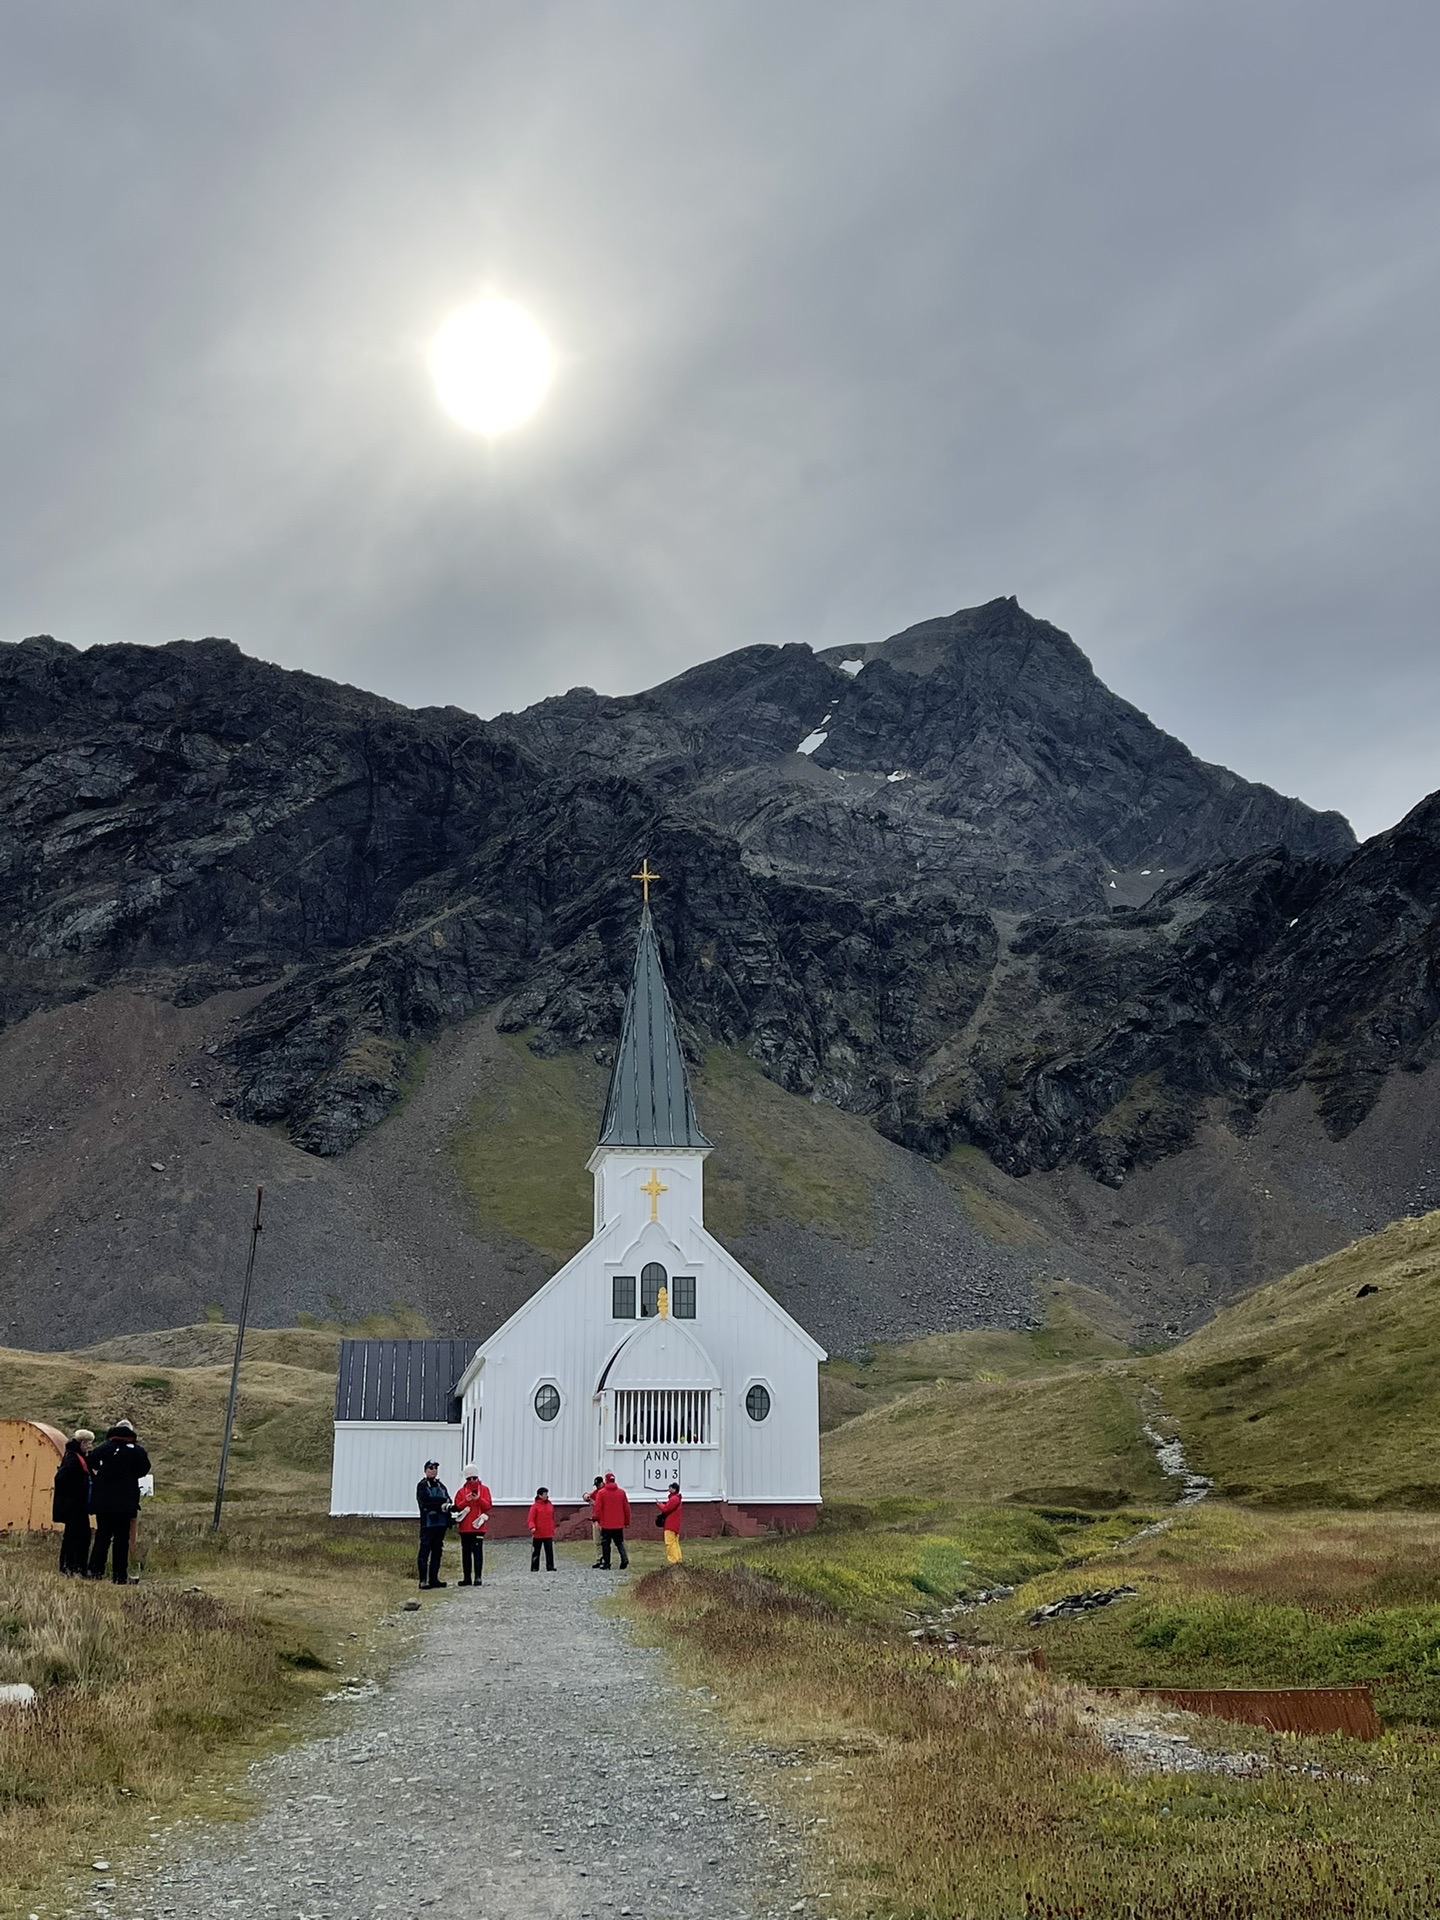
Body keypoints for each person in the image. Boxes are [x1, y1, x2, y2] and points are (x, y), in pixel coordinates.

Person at [87, 1420, 151, 1584]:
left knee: (102, 1536)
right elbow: (145, 1468)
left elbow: (91, 1463)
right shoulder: (136, 1450)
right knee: (121, 1539)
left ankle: (95, 1571)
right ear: (130, 1432)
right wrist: (129, 1475)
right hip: (125, 1503)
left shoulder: (103, 1448)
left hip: (104, 1503)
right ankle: (119, 1576)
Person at [52, 1430, 94, 1575]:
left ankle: (73, 1566)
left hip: (76, 1504)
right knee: (76, 1536)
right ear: (82, 1443)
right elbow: (60, 1478)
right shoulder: (73, 1459)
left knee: (78, 1535)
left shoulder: (76, 1457)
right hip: (74, 1505)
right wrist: (75, 1489)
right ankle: (71, 1566)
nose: (90, 1446)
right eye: (89, 1443)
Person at [452, 1463, 491, 1587]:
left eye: (474, 1478)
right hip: (465, 1528)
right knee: (466, 1553)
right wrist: (466, 1501)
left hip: (478, 1527)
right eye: (469, 1478)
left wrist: (478, 1499)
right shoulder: (461, 1492)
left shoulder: (484, 1490)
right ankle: (467, 1577)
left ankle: (478, 1577)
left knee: (478, 1552)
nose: (472, 1481)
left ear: (478, 1477)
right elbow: (456, 1507)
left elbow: (488, 1506)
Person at [415, 1460, 453, 1589]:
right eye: (431, 1468)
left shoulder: (441, 1486)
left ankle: (434, 1579)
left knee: (437, 1552)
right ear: (425, 1470)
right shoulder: (422, 1486)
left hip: (440, 1524)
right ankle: (423, 1580)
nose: (433, 1470)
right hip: (428, 1524)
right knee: (424, 1551)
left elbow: (448, 1501)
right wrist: (441, 1503)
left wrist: (449, 1518)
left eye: (435, 1468)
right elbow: (426, 1501)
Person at [594, 1471, 631, 1570]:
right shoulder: (621, 1493)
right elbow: (626, 1508)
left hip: (606, 1523)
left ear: (606, 1480)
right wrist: (627, 1521)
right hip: (618, 1524)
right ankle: (624, 1559)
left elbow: (598, 1508)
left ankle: (607, 1563)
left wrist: (596, 1518)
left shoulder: (601, 1493)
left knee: (606, 1544)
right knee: (619, 1542)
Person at [527, 1487, 556, 1571]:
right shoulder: (535, 1506)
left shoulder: (549, 1504)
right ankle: (535, 1567)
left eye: (547, 1494)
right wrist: (532, 1527)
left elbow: (552, 1517)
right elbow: (531, 1518)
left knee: (549, 1551)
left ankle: (550, 1566)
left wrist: (552, 1527)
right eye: (545, 1494)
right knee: (536, 1551)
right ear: (540, 1495)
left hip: (548, 1532)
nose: (547, 1495)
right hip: (538, 1533)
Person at [656, 1481, 683, 1565]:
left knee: (670, 1543)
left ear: (674, 1489)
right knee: (675, 1543)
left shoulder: (674, 1499)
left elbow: (666, 1509)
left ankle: (673, 1560)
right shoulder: (676, 1498)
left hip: (670, 1525)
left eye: (670, 1487)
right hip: (674, 1525)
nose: (669, 1489)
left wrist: (659, 1505)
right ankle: (678, 1559)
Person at [587, 1475, 605, 1567]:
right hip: (596, 1519)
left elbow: (604, 1506)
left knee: (604, 1541)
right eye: (596, 1485)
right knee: (597, 1541)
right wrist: (586, 1497)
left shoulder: (605, 1492)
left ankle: (605, 1559)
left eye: (598, 1484)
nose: (597, 1486)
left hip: (604, 1520)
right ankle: (599, 1559)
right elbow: (588, 1496)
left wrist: (595, 1503)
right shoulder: (596, 1492)